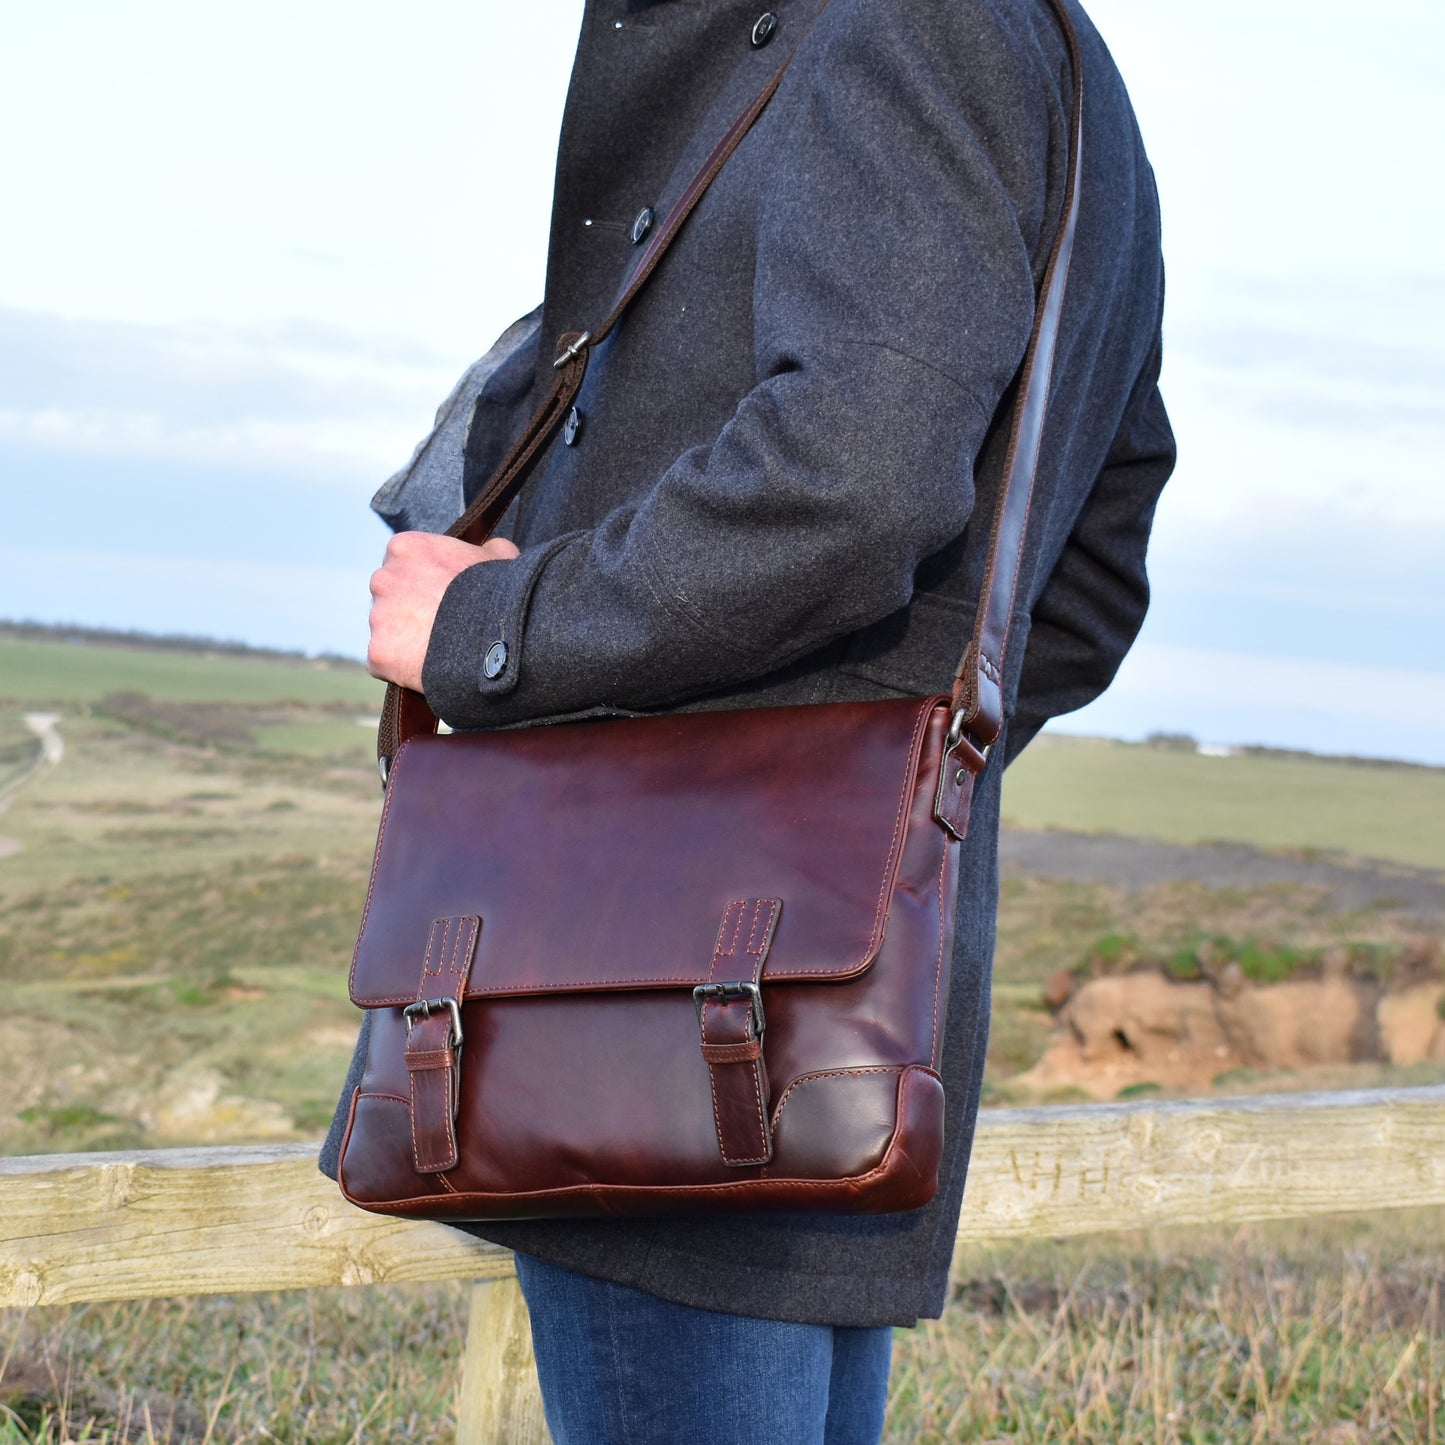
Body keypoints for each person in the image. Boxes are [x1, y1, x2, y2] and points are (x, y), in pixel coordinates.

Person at [321, 0, 1174, 1438]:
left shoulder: (898, 27)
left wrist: (488, 629)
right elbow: (1084, 569)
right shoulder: (1059, 61)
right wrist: (863, 810)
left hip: (658, 999)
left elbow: (851, 486)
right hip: (825, 1009)